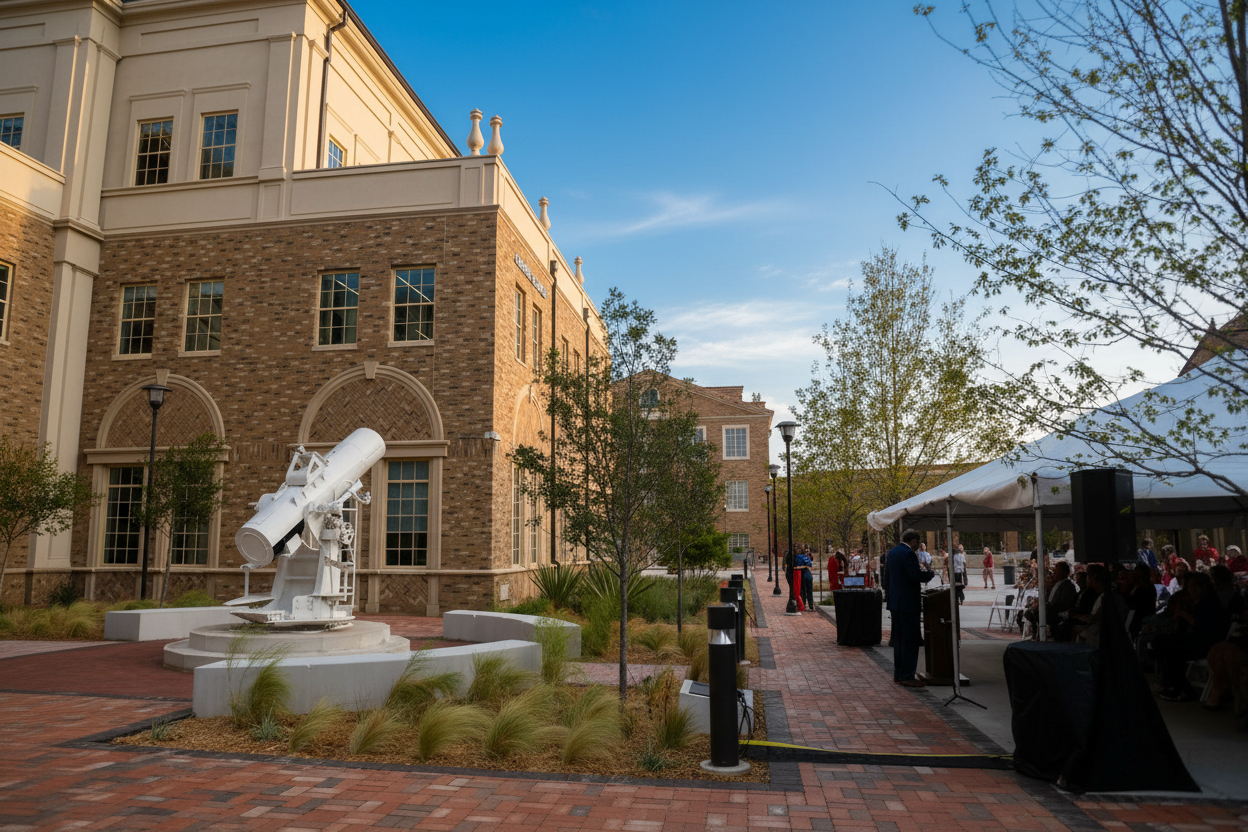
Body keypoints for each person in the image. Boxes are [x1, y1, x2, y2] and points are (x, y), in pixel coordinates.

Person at [886, 528, 935, 687]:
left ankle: (899, 673)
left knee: (899, 640)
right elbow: (915, 576)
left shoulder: (892, 553)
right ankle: (907, 675)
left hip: (895, 603)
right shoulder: (908, 554)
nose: (917, 546)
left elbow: (886, 579)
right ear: (913, 541)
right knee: (910, 640)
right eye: (917, 543)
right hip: (908, 603)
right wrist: (929, 574)